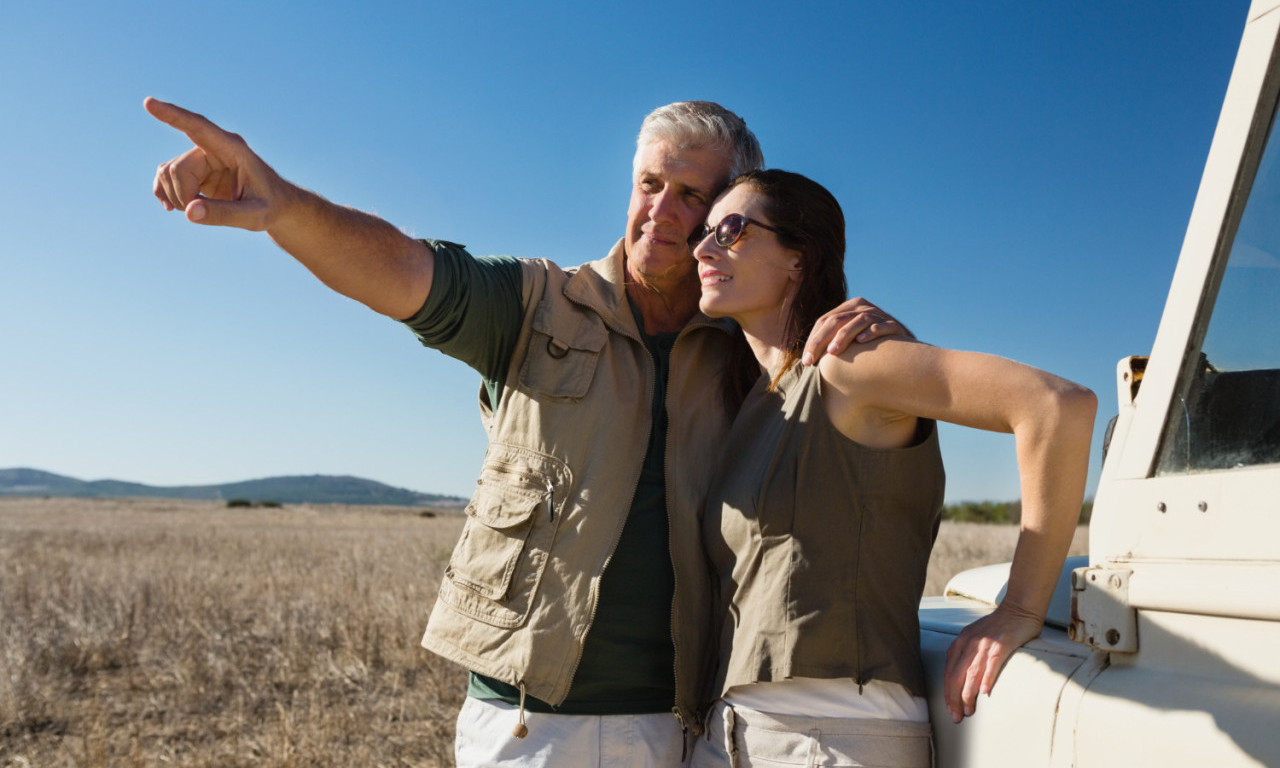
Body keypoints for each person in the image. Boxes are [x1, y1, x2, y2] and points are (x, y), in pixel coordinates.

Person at [145, 98, 908, 766]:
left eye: (691, 197)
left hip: (679, 724)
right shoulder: (538, 301)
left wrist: (877, 331)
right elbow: (405, 271)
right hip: (524, 723)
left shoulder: (751, 354)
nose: (663, 213)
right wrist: (280, 204)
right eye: (649, 185)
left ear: (726, 218)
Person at [686, 170, 1097, 767]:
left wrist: (1019, 610)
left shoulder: (847, 365)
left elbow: (1056, 405)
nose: (704, 247)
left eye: (731, 229)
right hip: (730, 734)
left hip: (829, 738)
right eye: (704, 232)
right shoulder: (759, 403)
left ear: (799, 260)